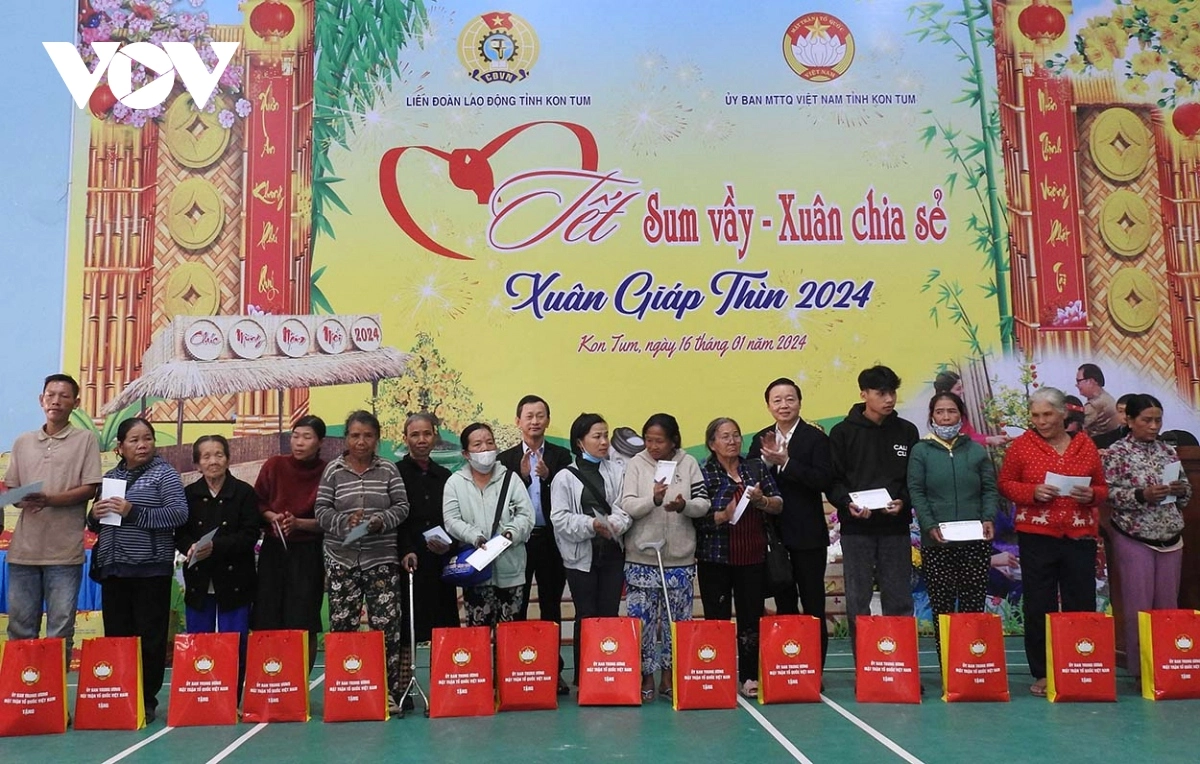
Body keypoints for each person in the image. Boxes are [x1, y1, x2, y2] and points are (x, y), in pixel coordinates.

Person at [998, 387, 1108, 697]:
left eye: (1047, 414)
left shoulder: (1085, 445)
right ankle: (1044, 671)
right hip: (1037, 536)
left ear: (1062, 413)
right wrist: (1031, 492)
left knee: (1081, 602)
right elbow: (1005, 484)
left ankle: (1080, 665)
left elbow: (1102, 488)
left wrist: (1092, 495)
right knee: (1039, 603)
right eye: (1035, 415)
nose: (1041, 421)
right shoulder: (1021, 446)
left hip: (1079, 535)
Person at [87, 417, 188, 723]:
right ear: (120, 447)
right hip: (114, 568)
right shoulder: (110, 478)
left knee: (150, 638)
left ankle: (146, 699)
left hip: (149, 569)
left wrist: (133, 511)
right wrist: (93, 515)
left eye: (148, 438)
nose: (142, 445)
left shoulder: (165, 474)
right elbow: (97, 525)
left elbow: (178, 514)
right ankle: (121, 695)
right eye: (134, 440)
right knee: (118, 637)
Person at [3, 374, 102, 674]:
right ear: (41, 400)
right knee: (20, 630)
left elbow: (90, 489)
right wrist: (21, 498)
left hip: (64, 552)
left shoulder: (85, 440)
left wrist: (50, 499)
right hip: (23, 552)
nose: (56, 401)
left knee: (60, 631)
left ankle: (53, 696)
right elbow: (12, 489)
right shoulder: (23, 441)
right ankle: (23, 693)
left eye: (64, 396)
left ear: (76, 402)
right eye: (50, 395)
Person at [315, 411, 409, 713]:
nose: (361, 441)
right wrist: (345, 522)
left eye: (368, 435)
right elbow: (321, 510)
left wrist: (381, 520)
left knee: (386, 628)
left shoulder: (388, 469)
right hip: (341, 559)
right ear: (346, 438)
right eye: (355, 435)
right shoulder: (333, 470)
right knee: (343, 627)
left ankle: (387, 693)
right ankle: (345, 691)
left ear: (377, 438)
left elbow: (402, 506)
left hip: (381, 560)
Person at [827, 365, 920, 650]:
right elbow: (833, 480)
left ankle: (901, 661)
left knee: (899, 597)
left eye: (892, 392)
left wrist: (904, 500)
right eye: (881, 393)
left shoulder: (907, 431)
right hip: (857, 530)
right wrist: (848, 504)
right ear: (864, 394)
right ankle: (866, 664)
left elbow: (914, 478)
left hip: (895, 528)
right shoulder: (842, 433)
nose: (889, 399)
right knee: (858, 599)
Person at [620, 413, 711, 704]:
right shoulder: (636, 464)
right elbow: (627, 504)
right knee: (643, 622)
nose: (653, 446)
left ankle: (670, 676)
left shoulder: (689, 463)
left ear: (673, 440)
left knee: (677, 622)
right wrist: (654, 500)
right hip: (642, 558)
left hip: (680, 560)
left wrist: (684, 506)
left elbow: (703, 503)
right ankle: (646, 675)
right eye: (648, 440)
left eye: (659, 441)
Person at [1102, 394, 1192, 681]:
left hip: (1170, 535)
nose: (1154, 426)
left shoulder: (1168, 451)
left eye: (1158, 420)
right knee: (1137, 605)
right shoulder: (1116, 453)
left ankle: (1167, 667)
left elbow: (1187, 491)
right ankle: (1142, 670)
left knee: (1168, 605)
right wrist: (1142, 495)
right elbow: (1107, 493)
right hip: (1134, 535)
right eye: (1147, 420)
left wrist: (1180, 490)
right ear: (1129, 420)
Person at [748, 378, 834, 667]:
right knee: (783, 603)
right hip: (773, 536)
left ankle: (815, 668)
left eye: (789, 399)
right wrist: (767, 464)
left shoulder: (815, 438)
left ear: (799, 402)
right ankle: (787, 668)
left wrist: (786, 461)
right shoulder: (760, 439)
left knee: (813, 603)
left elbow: (823, 479)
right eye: (777, 400)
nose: (784, 405)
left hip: (808, 535)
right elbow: (750, 477)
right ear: (768, 406)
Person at [907, 392, 999, 658]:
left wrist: (988, 518)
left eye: (952, 411)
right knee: (942, 606)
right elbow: (917, 491)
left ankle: (973, 661)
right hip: (937, 541)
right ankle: (948, 664)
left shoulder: (976, 450)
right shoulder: (921, 451)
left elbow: (989, 489)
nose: (946, 417)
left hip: (975, 541)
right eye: (940, 412)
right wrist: (929, 525)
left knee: (973, 604)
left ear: (961, 416)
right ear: (931, 416)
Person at [698, 417, 783, 698]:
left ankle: (748, 676)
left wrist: (762, 501)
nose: (732, 441)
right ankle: (718, 674)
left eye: (736, 435)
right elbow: (696, 519)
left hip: (752, 556)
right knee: (717, 621)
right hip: (715, 558)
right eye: (725, 436)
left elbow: (778, 503)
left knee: (750, 620)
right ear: (712, 444)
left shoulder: (755, 466)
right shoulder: (703, 472)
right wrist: (723, 515)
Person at [549, 413, 633, 686]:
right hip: (580, 558)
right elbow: (559, 518)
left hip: (612, 554)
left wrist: (614, 525)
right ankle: (585, 677)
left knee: (609, 614)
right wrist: (591, 524)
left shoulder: (618, 471)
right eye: (597, 436)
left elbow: (625, 508)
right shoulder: (564, 477)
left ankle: (608, 674)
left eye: (606, 435)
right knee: (586, 615)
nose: (604, 441)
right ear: (580, 442)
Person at [498, 394, 572, 694]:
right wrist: (524, 477)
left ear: (548, 421)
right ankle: (516, 670)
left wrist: (548, 477)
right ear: (518, 421)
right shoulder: (505, 460)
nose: (535, 421)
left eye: (540, 416)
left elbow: (569, 496)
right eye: (529, 416)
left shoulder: (561, 456)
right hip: (518, 543)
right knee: (516, 606)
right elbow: (502, 502)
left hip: (551, 541)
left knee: (551, 606)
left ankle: (553, 670)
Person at [175, 435, 259, 699]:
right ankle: (201, 698)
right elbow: (179, 533)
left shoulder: (244, 492)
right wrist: (189, 547)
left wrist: (216, 546)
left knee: (236, 641)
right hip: (199, 578)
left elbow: (250, 534)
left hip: (235, 579)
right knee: (198, 640)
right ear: (197, 464)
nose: (213, 461)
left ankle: (232, 698)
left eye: (219, 455)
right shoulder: (188, 494)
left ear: (228, 459)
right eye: (206, 456)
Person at [253, 415, 328, 673]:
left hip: (308, 553)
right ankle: (270, 679)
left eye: (307, 437)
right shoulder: (274, 465)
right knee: (267, 618)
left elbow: (330, 519)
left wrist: (298, 523)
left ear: (320, 442)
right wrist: (272, 517)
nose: (299, 443)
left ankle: (300, 683)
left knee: (304, 620)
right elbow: (258, 502)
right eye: (295, 436)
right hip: (274, 550)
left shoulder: (328, 471)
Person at [444, 422, 535, 629]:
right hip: (475, 571)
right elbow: (451, 519)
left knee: (510, 635)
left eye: (489, 442)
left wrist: (510, 534)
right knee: (479, 636)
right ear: (466, 453)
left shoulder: (511, 478)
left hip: (511, 570)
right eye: (477, 445)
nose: (485, 448)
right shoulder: (455, 483)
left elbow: (526, 515)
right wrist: (474, 536)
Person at [396, 412, 459, 708]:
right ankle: (402, 690)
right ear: (405, 438)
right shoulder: (395, 473)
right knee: (407, 627)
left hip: (439, 561)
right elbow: (396, 518)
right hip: (408, 562)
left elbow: (453, 518)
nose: (421, 440)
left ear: (435, 437)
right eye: (415, 435)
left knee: (443, 624)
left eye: (426, 434)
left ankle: (445, 687)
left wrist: (448, 545)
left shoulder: (445, 476)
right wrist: (405, 549)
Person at [933, 370, 1009, 447]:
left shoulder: (959, 408)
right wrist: (989, 440)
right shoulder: (940, 415)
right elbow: (956, 441)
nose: (962, 391)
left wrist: (992, 438)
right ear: (945, 392)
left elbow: (969, 435)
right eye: (958, 389)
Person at [1076, 363, 1119, 438]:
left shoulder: (1095, 404)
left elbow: (1076, 428)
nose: (1076, 385)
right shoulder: (1106, 397)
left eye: (1078, 381)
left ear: (1091, 381)